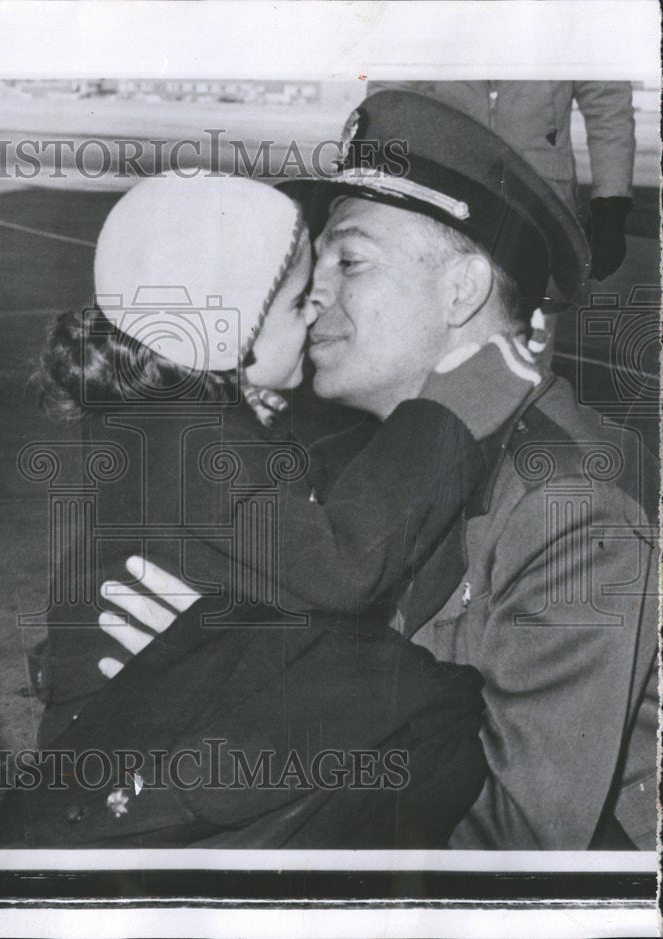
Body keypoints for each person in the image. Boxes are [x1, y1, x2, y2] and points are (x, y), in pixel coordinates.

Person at [122, 91, 659, 850]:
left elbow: (511, 847)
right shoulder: (376, 449)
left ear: (463, 289)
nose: (312, 294)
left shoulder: (565, 503)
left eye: (350, 259)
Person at [0, 174, 542, 849]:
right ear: (229, 331)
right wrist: (447, 411)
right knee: (436, 726)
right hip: (139, 772)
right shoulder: (195, 446)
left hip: (134, 741)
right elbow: (340, 564)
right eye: (298, 301)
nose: (314, 313)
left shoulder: (168, 414)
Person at [367, 80, 636, 280]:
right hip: (441, 210)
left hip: (539, 216)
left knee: (524, 350)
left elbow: (608, 105)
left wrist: (610, 208)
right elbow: (389, 101)